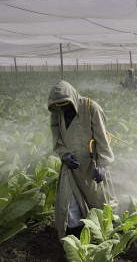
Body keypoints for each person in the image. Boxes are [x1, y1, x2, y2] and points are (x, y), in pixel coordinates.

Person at [48, 80, 118, 240]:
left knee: (100, 202)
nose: (64, 109)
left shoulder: (91, 108)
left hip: (91, 165)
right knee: (69, 204)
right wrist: (64, 154)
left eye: (66, 104)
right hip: (71, 167)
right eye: (59, 106)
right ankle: (76, 236)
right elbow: (57, 140)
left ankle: (106, 235)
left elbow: (102, 140)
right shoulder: (56, 114)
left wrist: (102, 165)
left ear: (73, 98)